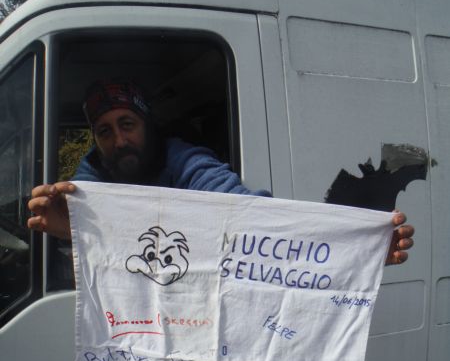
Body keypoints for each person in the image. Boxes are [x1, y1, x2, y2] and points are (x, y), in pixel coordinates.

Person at [27, 79, 414, 264]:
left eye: (127, 124)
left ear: (147, 125)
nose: (119, 140)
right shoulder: (87, 183)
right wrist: (68, 227)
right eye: (105, 132)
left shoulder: (182, 160)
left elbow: (251, 216)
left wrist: (357, 250)